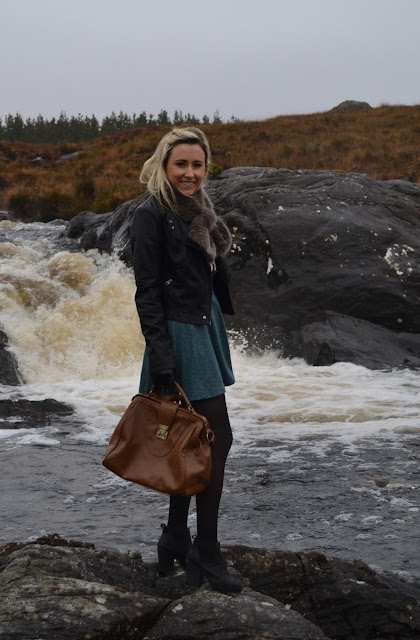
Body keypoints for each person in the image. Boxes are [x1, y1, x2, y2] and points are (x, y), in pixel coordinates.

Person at [130, 126, 242, 593]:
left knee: (188, 439)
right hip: (179, 334)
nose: (190, 173)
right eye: (181, 164)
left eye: (198, 164)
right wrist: (163, 359)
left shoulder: (199, 210)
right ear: (164, 165)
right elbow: (147, 293)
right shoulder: (151, 215)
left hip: (202, 324)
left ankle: (176, 535)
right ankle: (206, 551)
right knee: (217, 439)